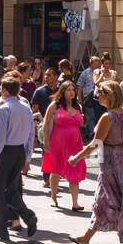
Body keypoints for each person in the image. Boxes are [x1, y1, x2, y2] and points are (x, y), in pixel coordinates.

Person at [70, 81, 123, 244]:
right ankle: (86, 238)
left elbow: (95, 144)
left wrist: (76, 158)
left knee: (112, 200)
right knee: (108, 200)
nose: (97, 95)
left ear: (110, 96)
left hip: (110, 161)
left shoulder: (107, 117)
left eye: (101, 92)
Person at [0, 76, 38, 242]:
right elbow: (30, 134)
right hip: (19, 151)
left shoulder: (4, 109)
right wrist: (28, 157)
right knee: (11, 189)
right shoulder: (26, 107)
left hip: (5, 152)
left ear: (5, 91)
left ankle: (1, 230)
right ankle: (28, 216)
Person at [40, 81, 86, 211]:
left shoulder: (78, 106)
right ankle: (53, 195)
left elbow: (79, 124)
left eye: (73, 90)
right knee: (56, 171)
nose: (71, 92)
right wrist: (46, 140)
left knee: (74, 171)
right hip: (57, 143)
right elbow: (46, 123)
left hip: (75, 144)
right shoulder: (55, 105)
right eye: (68, 90)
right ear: (62, 92)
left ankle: (75, 203)